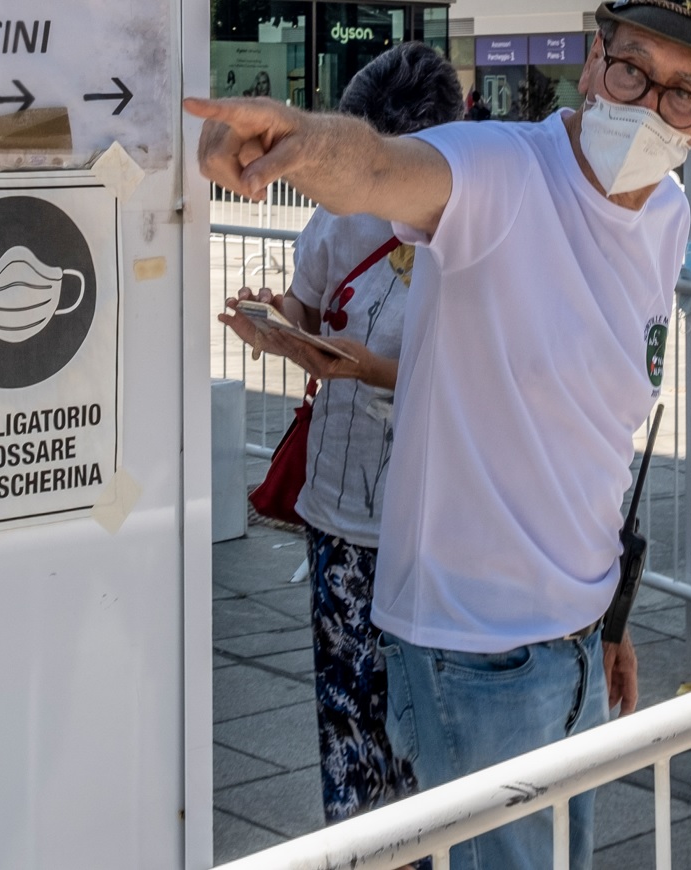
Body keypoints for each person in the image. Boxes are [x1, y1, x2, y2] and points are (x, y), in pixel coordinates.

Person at [188, 2, 691, 866]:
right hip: (473, 660)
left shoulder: (666, 213)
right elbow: (377, 168)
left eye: (684, 92)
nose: (645, 106)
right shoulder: (502, 171)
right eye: (633, 67)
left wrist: (609, 619)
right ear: (594, 58)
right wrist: (295, 141)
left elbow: (592, 441)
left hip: (573, 644)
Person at [216, 42, 462, 826]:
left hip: (436, 518)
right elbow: (314, 319)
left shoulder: (470, 235)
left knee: (426, 720)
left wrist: (372, 371)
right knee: (348, 708)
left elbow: (475, 381)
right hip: (340, 510)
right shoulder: (328, 224)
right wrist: (276, 328)